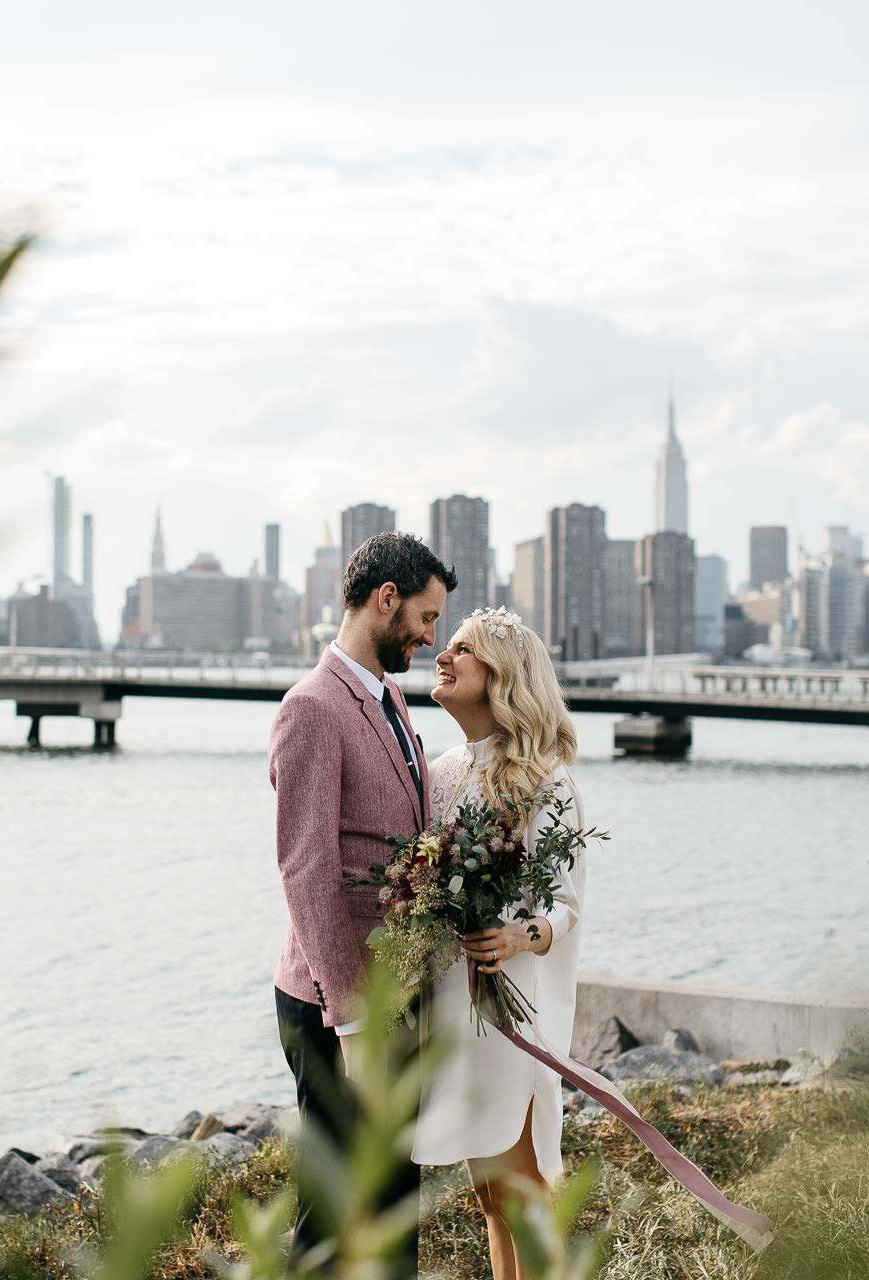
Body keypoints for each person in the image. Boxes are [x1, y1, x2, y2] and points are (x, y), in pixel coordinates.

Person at [269, 531, 457, 1275]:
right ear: (388, 599)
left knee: (390, 1202)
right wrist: (350, 1021)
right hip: (334, 1004)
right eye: (426, 616)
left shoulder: (389, 702)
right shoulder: (312, 707)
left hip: (393, 994)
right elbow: (307, 869)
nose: (430, 635)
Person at [414, 606, 587, 1280]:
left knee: (522, 1191)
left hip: (507, 1008)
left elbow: (567, 905)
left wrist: (519, 935)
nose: (442, 655)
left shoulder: (550, 780)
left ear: (501, 677)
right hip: (452, 1008)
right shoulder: (440, 771)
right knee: (489, 1195)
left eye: (462, 649)